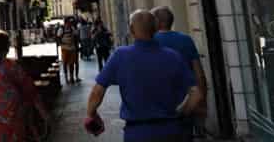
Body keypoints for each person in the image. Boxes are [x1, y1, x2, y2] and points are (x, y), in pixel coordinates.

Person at [85, 10, 203, 142]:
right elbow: (196, 94)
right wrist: (181, 113)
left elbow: (97, 92)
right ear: (156, 28)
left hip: (137, 132)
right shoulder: (173, 56)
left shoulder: (120, 56)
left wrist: (92, 115)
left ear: (131, 30)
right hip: (171, 130)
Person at [0, 30, 47, 142]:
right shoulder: (11, 66)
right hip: (13, 118)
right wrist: (44, 115)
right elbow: (31, 92)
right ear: (7, 46)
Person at [153, 5, 208, 133]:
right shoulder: (186, 40)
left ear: (157, 22)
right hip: (186, 101)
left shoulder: (151, 42)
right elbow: (199, 73)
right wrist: (203, 101)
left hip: (159, 105)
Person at [56, 17, 80, 83]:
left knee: (71, 63)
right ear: (65, 23)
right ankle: (66, 78)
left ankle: (71, 77)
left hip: (72, 48)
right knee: (65, 63)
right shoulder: (61, 29)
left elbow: (76, 35)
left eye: (70, 23)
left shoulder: (72, 28)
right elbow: (58, 38)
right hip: (64, 49)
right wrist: (61, 43)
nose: (69, 24)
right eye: (68, 22)